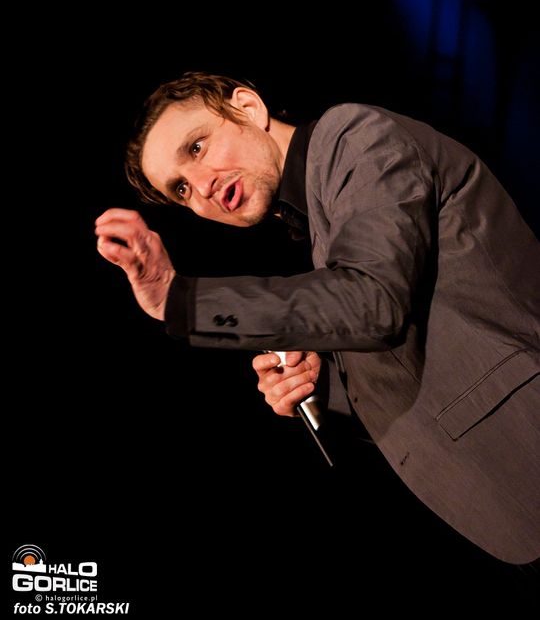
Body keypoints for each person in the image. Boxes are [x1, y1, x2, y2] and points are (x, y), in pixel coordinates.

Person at [95, 71, 540, 565]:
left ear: (248, 107)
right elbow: (414, 347)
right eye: (180, 189)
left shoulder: (354, 137)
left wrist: (179, 300)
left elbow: (372, 303)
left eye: (197, 148)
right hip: (506, 501)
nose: (201, 187)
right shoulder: (316, 221)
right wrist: (319, 385)